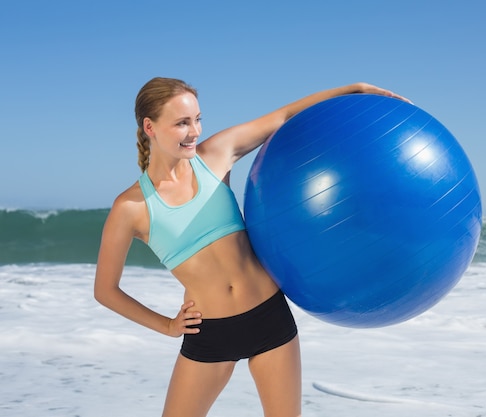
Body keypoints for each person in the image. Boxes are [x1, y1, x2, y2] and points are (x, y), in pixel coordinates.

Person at [94, 77, 406, 417]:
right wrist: (167, 326)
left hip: (268, 316)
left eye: (197, 119)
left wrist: (351, 90)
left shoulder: (214, 155)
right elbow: (106, 290)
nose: (194, 131)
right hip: (210, 332)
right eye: (182, 123)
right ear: (150, 127)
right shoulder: (130, 207)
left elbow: (285, 117)